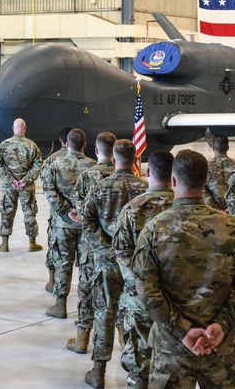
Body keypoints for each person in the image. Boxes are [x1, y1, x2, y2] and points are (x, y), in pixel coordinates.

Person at [133, 149, 235, 388]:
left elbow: (146, 291)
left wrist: (182, 330)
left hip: (172, 351)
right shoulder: (233, 228)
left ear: (172, 181)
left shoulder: (154, 230)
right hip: (219, 345)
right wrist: (222, 324)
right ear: (206, 181)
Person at [81, 139, 148, 388]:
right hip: (135, 266)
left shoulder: (100, 188)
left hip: (107, 263)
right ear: (134, 159)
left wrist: (107, 249)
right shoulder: (145, 189)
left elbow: (87, 223)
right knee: (135, 317)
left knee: (104, 315)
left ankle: (98, 372)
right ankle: (134, 371)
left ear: (113, 158)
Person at [113, 149, 175, 389]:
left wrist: (140, 288)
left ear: (148, 172)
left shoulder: (132, 209)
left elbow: (122, 254)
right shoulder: (185, 208)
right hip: (178, 299)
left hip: (139, 299)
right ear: (173, 176)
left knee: (139, 358)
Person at [67, 132, 118, 355]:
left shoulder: (87, 178)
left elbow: (82, 214)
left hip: (92, 248)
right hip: (120, 251)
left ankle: (82, 339)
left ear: (95, 151)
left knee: (87, 293)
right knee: (122, 299)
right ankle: (126, 344)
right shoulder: (129, 180)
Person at [41, 128, 95, 319]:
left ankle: (60, 305)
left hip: (62, 225)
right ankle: (85, 308)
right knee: (87, 267)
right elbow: (97, 198)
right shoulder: (94, 167)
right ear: (85, 144)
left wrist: (66, 211)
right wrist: (81, 213)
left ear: (67, 143)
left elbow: (49, 191)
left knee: (63, 264)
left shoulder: (55, 165)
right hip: (86, 226)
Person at [0, 118, 44, 253]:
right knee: (29, 212)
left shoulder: (4, 145)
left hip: (9, 187)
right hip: (26, 186)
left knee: (7, 212)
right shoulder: (32, 146)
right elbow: (38, 164)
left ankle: (4, 243)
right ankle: (32, 243)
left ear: (12, 128)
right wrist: (26, 179)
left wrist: (11, 180)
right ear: (25, 129)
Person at [41, 128, 74, 293]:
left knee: (55, 247)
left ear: (61, 141)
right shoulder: (91, 164)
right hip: (80, 216)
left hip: (58, 214)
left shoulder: (51, 161)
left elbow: (45, 185)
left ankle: (52, 280)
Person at [204, 135, 235, 210]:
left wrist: (215, 209)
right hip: (234, 210)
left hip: (214, 212)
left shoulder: (206, 166)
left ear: (213, 148)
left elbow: (204, 190)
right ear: (228, 148)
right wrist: (231, 208)